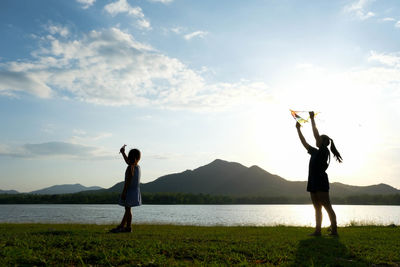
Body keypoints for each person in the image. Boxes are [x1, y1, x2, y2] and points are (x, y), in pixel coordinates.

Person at [295, 111, 342, 236]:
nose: (317, 139)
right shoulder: (315, 151)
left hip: (320, 180)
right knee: (317, 208)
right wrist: (298, 129)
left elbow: (315, 134)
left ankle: (335, 231)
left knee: (327, 206)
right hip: (313, 181)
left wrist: (312, 119)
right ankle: (317, 231)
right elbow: (304, 142)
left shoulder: (324, 151)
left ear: (323, 142)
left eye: (319, 138)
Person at [110, 145, 142, 233]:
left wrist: (124, 192)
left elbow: (128, 180)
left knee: (127, 209)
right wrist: (123, 153)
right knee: (128, 209)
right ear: (137, 158)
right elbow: (128, 161)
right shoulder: (137, 167)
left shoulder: (130, 168)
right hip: (134, 191)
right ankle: (126, 227)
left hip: (129, 191)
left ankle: (124, 227)